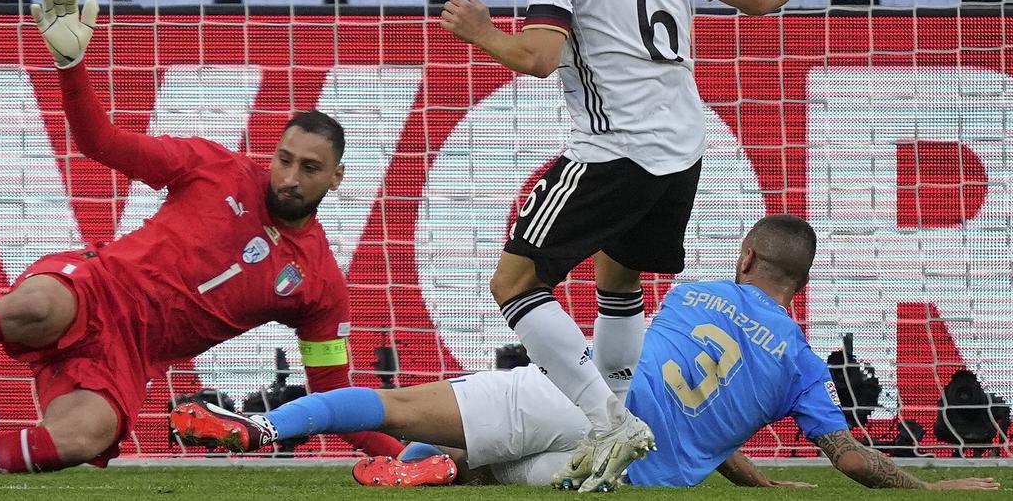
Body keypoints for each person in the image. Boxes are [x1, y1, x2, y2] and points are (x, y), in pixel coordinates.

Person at [0, 0, 405, 474]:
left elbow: (332, 396)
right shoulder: (212, 166)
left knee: (83, 438)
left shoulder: (320, 284)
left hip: (130, 358)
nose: (291, 176)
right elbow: (98, 141)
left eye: (310, 169)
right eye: (285, 158)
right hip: (97, 287)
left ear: (337, 179)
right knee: (38, 302)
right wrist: (71, 65)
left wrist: (409, 451)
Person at [437, 0, 839, 493]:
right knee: (617, 279)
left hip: (612, 147)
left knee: (513, 284)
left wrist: (480, 31)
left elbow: (536, 56)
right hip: (683, 147)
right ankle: (621, 417)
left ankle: (608, 422)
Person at [172, 216, 1000, 493]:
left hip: (590, 405)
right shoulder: (802, 370)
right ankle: (442, 466)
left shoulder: (696, 292)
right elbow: (842, 454)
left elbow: (662, 371)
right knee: (490, 467)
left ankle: (260, 430)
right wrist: (930, 488)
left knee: (405, 408)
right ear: (800, 283)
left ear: (747, 260)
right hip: (620, 475)